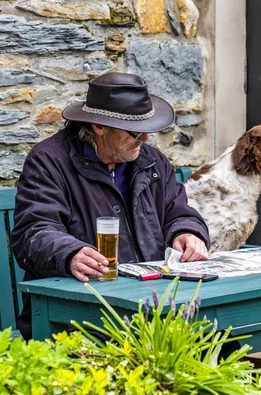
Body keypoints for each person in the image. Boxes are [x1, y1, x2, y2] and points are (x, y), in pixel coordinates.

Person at [11, 72, 210, 340]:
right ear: (99, 126)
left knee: (223, 336)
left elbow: (178, 211)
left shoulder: (151, 161)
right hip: (79, 315)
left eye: (148, 129)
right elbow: (33, 231)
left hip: (154, 307)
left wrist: (187, 233)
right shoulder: (49, 160)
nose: (145, 139)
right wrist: (71, 254)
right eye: (135, 131)